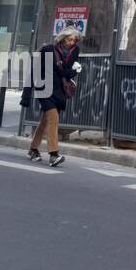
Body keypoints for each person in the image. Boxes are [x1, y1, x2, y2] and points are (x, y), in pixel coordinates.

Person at [25, 27, 83, 167]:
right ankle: (53, 154)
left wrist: (74, 71)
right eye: (69, 39)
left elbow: (67, 73)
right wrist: (27, 93)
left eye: (74, 40)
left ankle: (33, 149)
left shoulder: (75, 51)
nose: (71, 42)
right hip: (44, 88)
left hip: (59, 91)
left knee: (46, 120)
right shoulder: (48, 50)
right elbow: (35, 70)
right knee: (53, 118)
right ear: (62, 38)